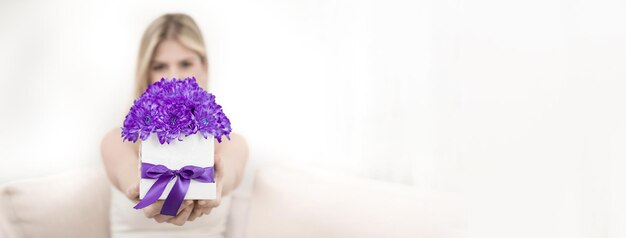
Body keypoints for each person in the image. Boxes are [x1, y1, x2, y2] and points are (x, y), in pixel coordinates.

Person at [100, 13, 249, 238]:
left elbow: (230, 172)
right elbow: (128, 174)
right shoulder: (116, 141)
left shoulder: (233, 143)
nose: (173, 76)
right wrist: (143, 191)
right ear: (145, 71)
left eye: (185, 63)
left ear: (204, 67)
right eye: (160, 66)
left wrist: (216, 183)